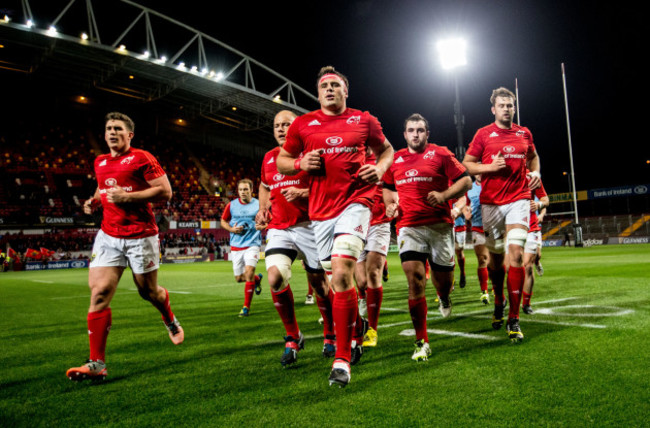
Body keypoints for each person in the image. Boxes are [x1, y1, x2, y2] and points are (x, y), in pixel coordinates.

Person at [277, 66, 394, 387]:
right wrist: (299, 163)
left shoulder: (364, 120)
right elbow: (282, 161)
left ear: (346, 91)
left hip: (357, 202)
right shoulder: (303, 124)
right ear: (318, 94)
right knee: (336, 284)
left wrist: (380, 169)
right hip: (320, 212)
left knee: (343, 272)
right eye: (324, 86)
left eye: (335, 85)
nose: (330, 89)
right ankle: (355, 330)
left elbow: (386, 150)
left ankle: (342, 360)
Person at [66, 112, 182, 382]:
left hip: (141, 235)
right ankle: (97, 363)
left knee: (148, 292)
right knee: (99, 293)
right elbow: (102, 186)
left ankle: (168, 317)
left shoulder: (142, 157)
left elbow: (165, 191)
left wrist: (127, 196)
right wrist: (93, 201)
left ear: (130, 135)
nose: (112, 132)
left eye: (118, 128)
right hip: (108, 235)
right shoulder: (100, 161)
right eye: (108, 128)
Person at [383, 113, 472, 362]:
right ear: (404, 134)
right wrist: (391, 206)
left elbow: (466, 181)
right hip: (408, 226)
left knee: (443, 282)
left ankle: (444, 296)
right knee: (416, 281)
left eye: (420, 130)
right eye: (411, 130)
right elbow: (387, 190)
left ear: (427, 133)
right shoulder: (396, 159)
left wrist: (444, 196)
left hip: (440, 226)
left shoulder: (441, 154)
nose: (415, 134)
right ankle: (421, 341)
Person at [462, 87, 541, 342]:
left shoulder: (524, 132)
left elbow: (534, 156)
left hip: (519, 200)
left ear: (514, 108)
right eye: (502, 105)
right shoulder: (483, 134)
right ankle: (499, 300)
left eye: (510, 105)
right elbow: (466, 163)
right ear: (493, 109)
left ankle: (514, 319)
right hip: (491, 203)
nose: (507, 108)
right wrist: (489, 167)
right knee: (495, 263)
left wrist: (536, 172)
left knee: (516, 255)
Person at [256, 110, 334, 367]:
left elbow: (332, 186)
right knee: (275, 277)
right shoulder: (269, 158)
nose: (281, 129)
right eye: (277, 125)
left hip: (312, 225)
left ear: (297, 127)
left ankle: (330, 332)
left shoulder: (312, 153)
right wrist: (262, 208)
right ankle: (293, 336)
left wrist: (303, 192)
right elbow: (265, 186)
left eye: (286, 124)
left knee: (321, 286)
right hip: (280, 228)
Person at [354, 148, 392, 348]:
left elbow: (395, 188)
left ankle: (372, 330)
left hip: (379, 222)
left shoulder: (385, 162)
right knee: (361, 281)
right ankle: (361, 296)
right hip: (356, 222)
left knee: (373, 275)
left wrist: (394, 204)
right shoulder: (352, 161)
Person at [220, 178, 264, 317]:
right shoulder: (232, 205)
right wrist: (231, 230)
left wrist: (262, 226)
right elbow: (223, 221)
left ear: (251, 190)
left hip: (252, 244)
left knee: (249, 272)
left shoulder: (259, 205)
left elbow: (269, 219)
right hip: (236, 245)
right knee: (239, 278)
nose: (243, 192)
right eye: (240, 190)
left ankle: (246, 307)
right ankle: (257, 280)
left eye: (245, 189)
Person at [522, 177, 549, 314]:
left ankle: (526, 303)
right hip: (509, 227)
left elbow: (545, 200)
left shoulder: (532, 177)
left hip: (532, 227)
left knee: (529, 265)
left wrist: (539, 207)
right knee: (510, 267)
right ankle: (501, 299)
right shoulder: (503, 174)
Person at [467, 175, 491, 304]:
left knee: (494, 262)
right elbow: (464, 204)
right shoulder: (469, 187)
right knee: (482, 259)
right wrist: (466, 213)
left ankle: (495, 287)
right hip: (477, 227)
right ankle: (484, 292)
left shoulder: (493, 183)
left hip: (494, 227)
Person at [452, 195, 470, 289]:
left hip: (459, 225)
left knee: (459, 251)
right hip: (448, 225)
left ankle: (462, 273)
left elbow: (464, 205)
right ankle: (451, 278)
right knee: (449, 253)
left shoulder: (459, 187)